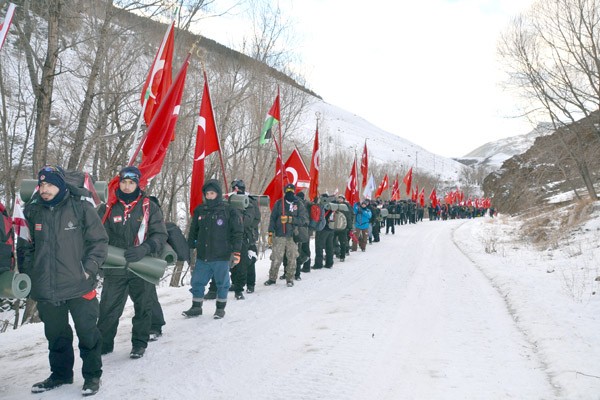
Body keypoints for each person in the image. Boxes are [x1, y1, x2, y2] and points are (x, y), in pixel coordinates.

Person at [19, 165, 108, 396]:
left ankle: (92, 377)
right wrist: (32, 276)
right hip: (47, 288)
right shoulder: (32, 210)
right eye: (42, 185)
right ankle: (61, 375)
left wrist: (88, 269)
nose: (45, 189)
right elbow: (25, 246)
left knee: (88, 333)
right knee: (56, 335)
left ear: (59, 185)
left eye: (49, 184)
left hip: (80, 285)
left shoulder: (80, 208)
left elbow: (99, 242)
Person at [97, 166, 168, 359]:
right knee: (108, 308)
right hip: (115, 267)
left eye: (131, 183)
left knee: (143, 307)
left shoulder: (148, 206)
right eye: (124, 182)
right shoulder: (108, 207)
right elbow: (97, 236)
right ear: (118, 183)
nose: (127, 187)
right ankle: (103, 344)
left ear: (137, 184)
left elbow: (160, 235)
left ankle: (139, 343)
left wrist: (145, 248)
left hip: (141, 265)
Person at [183, 179, 243, 318]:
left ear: (218, 193)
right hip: (203, 255)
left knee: (222, 283)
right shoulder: (200, 210)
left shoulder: (228, 210)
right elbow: (194, 231)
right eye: (207, 193)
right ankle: (196, 307)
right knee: (197, 282)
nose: (209, 196)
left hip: (221, 255)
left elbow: (237, 233)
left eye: (212, 193)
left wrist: (236, 251)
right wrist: (189, 246)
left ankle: (220, 308)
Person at [264, 183, 308, 287]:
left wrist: (290, 219)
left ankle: (290, 278)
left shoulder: (299, 204)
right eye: (287, 191)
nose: (289, 193)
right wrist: (270, 232)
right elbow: (273, 218)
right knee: (276, 258)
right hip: (279, 235)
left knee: (292, 258)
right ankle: (272, 278)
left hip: (292, 236)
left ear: (294, 191)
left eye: (291, 191)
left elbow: (303, 220)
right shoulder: (279, 203)